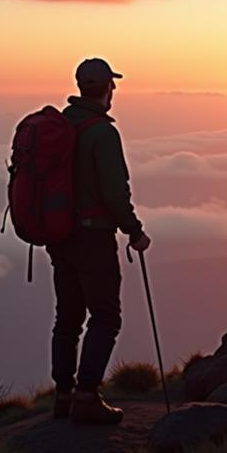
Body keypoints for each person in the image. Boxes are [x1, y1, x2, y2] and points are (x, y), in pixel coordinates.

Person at [47, 57, 151, 425]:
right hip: (93, 236)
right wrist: (134, 231)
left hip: (60, 236)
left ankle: (63, 396)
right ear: (108, 87)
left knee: (68, 318)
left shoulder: (62, 125)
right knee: (105, 316)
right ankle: (87, 397)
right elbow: (114, 192)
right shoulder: (102, 133)